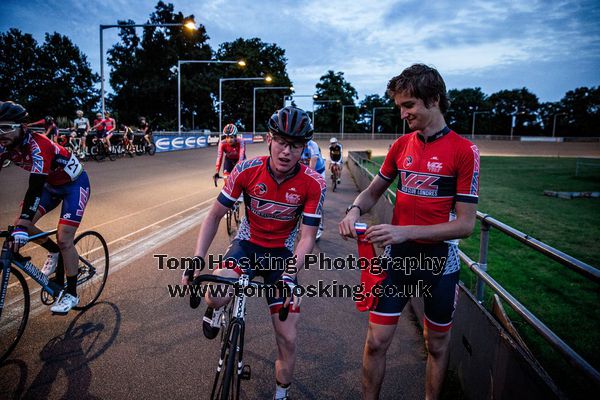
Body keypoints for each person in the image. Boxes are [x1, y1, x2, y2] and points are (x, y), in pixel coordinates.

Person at [338, 64, 480, 400]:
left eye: (409, 105)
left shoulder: (463, 151)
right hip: (398, 261)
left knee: (436, 346)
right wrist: (354, 209)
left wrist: (404, 231)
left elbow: (465, 225)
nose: (402, 114)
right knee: (375, 343)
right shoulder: (402, 146)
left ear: (433, 99)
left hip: (439, 264)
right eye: (399, 106)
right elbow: (372, 192)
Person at [183, 106, 326, 400]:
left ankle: (281, 393)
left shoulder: (314, 182)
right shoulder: (246, 169)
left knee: (287, 337)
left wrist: (290, 273)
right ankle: (216, 308)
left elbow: (307, 237)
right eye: (282, 142)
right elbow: (213, 217)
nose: (287, 152)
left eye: (296, 145)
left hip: (282, 256)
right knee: (215, 293)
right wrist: (198, 258)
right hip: (247, 245)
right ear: (269, 139)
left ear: (304, 147)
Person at [0, 101, 91, 314]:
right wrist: (22, 225)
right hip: (50, 185)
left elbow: (34, 188)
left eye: (5, 128)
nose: (0, 134)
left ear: (22, 127)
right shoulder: (4, 145)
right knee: (21, 225)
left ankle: (71, 293)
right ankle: (53, 252)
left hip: (73, 185)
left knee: (64, 238)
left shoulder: (39, 145)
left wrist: (23, 225)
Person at [300, 139, 326, 239]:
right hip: (305, 171)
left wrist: (308, 183)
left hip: (318, 171)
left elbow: (313, 164)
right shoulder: (296, 144)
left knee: (316, 197)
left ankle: (318, 226)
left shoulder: (313, 145)